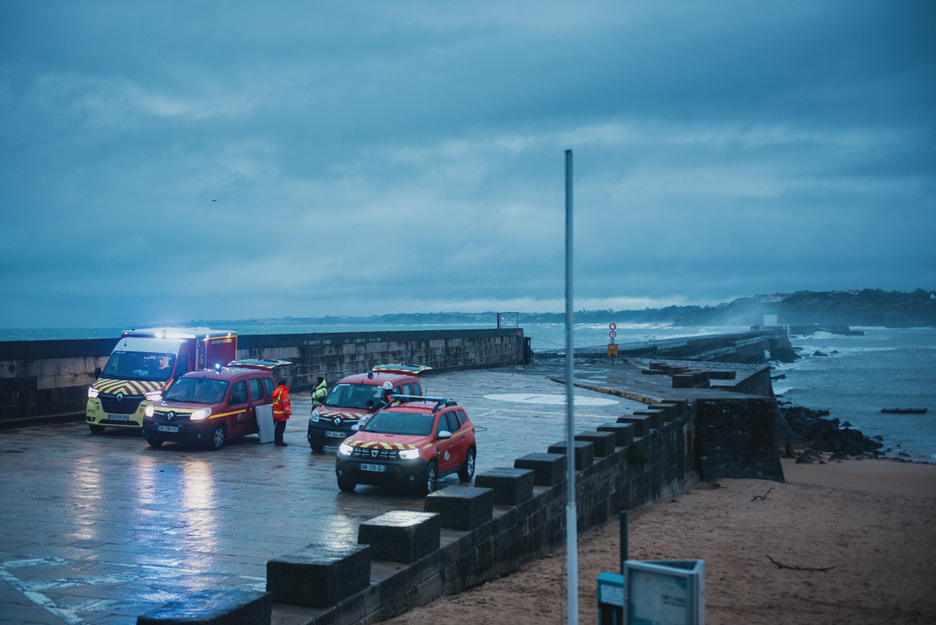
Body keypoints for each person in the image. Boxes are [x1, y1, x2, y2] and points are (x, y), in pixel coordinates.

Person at [271, 378, 291, 447]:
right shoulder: (283, 392)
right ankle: (280, 441)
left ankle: (276, 440)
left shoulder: (276, 391)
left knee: (277, 428)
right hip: (282, 414)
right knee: (281, 428)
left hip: (276, 412)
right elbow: (285, 403)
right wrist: (288, 412)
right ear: (284, 384)